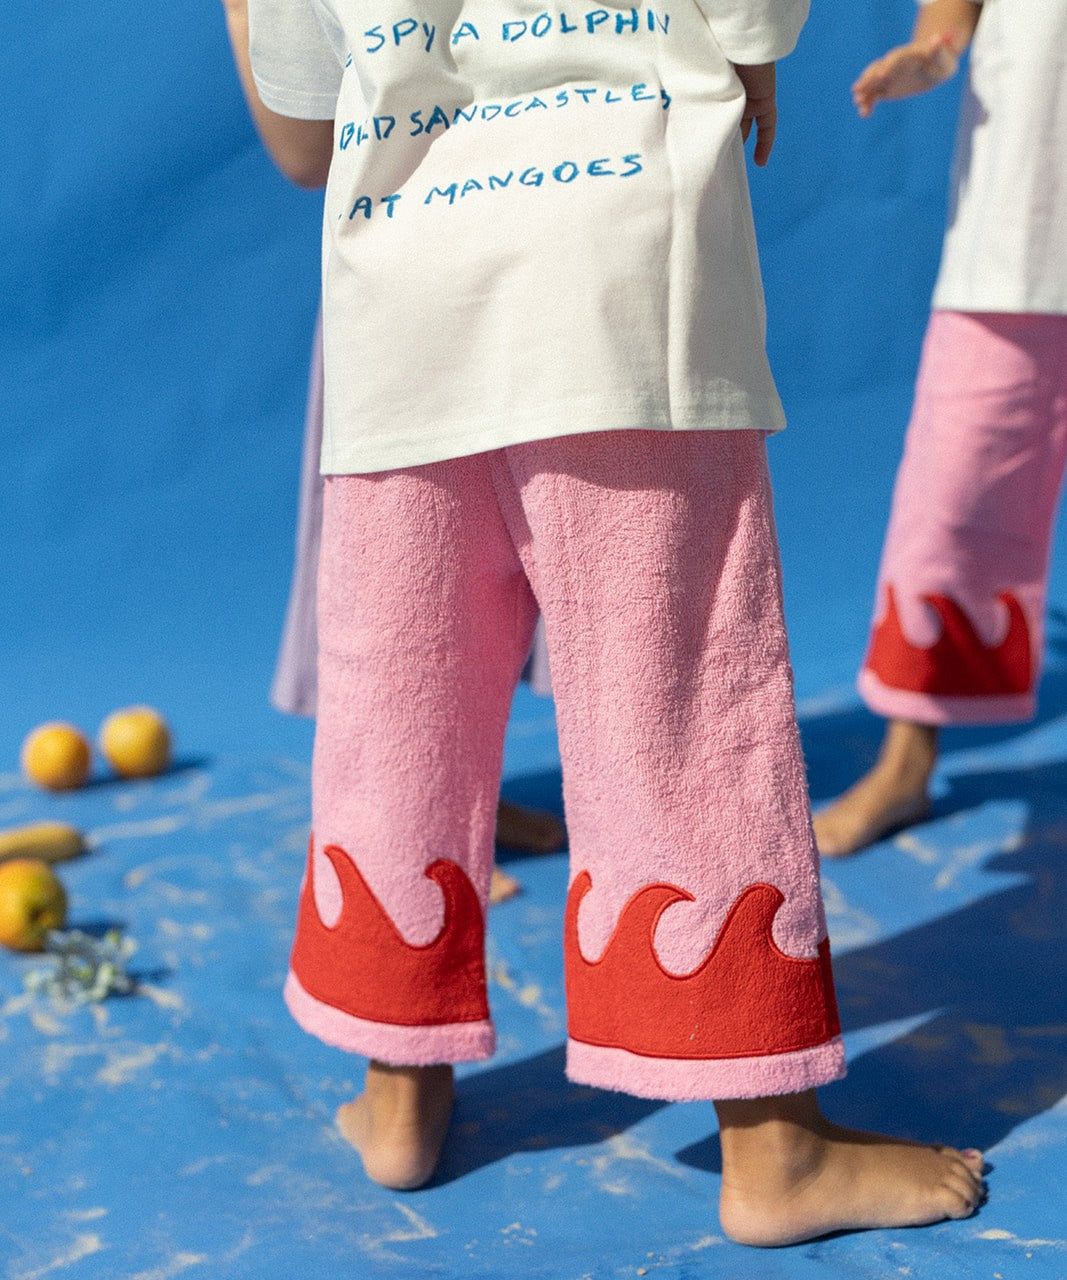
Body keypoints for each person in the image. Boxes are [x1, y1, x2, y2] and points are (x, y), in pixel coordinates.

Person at [240, 0, 985, 1245]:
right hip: (623, 281)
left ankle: (397, 1093)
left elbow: (305, 129)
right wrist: (751, 65)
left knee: (401, 705)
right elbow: (746, 20)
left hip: (401, 309)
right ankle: (771, 1146)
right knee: (677, 699)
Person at [222, 0, 566, 898]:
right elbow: (306, 156)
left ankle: (454, 805)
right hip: (410, 302)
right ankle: (402, 829)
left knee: (520, 561)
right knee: (405, 587)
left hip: (547, 270)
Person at [812, 0, 1067, 858]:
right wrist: (929, 55)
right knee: (950, 505)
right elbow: (947, 25)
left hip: (1012, 243)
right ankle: (906, 766)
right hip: (1014, 238)